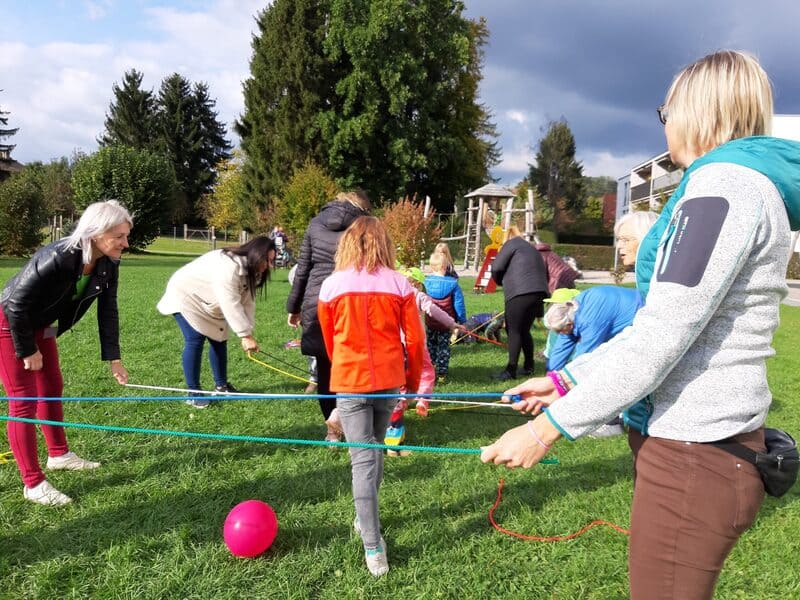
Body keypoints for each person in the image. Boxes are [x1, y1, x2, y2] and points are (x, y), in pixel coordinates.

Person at [481, 50, 800, 599]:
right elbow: (662, 324)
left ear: (698, 112)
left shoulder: (724, 187)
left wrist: (545, 428)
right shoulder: (729, 186)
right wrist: (565, 381)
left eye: (666, 111)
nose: (666, 124)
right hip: (697, 454)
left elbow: (661, 339)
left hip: (695, 459)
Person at [0, 200, 133, 506]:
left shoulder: (108, 263)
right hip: (11, 324)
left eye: (127, 235)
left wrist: (114, 358)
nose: (126, 243)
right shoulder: (58, 256)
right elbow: (15, 304)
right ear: (97, 233)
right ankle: (32, 484)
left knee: (52, 388)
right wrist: (27, 349)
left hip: (43, 324)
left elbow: (108, 311)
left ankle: (59, 455)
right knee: (23, 401)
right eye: (120, 236)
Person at [317, 216, 424, 577]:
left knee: (369, 456)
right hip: (384, 381)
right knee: (370, 456)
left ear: (347, 243)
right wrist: (408, 381)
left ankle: (369, 533)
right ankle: (372, 542)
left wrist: (345, 367)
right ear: (384, 243)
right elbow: (416, 340)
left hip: (354, 380)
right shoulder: (400, 284)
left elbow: (330, 340)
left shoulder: (332, 285)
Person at [286, 190, 371, 442]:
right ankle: (348, 420)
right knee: (352, 366)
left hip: (317, 299)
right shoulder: (364, 225)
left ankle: (332, 429)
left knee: (325, 367)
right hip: (350, 301)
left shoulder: (315, 223)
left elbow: (303, 269)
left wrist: (294, 306)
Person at [157, 236, 275, 408]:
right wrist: (244, 335)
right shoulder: (229, 266)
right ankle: (193, 393)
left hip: (209, 300)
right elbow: (230, 301)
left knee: (219, 338)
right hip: (185, 295)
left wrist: (249, 333)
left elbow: (248, 302)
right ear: (256, 254)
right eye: (268, 260)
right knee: (195, 339)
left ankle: (221, 387)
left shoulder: (251, 269)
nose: (270, 266)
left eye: (272, 261)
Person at [490, 225, 548, 381]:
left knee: (513, 330)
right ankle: (529, 366)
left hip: (520, 292)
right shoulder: (531, 248)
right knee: (524, 330)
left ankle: (511, 370)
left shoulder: (511, 244)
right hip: (539, 292)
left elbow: (496, 267)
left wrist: (499, 281)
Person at [423, 252, 466, 383]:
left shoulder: (425, 282)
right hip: (446, 323)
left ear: (431, 266)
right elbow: (459, 303)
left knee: (431, 345)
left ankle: (430, 368)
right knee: (443, 347)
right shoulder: (453, 284)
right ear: (445, 266)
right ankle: (441, 373)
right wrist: (462, 320)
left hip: (430, 321)